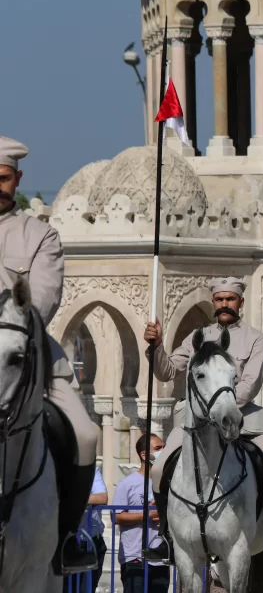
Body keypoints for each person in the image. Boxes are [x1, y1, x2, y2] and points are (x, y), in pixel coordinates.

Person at [142, 276, 263, 564]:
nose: (224, 304)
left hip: (242, 417)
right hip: (195, 420)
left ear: (240, 302)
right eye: (219, 299)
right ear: (214, 302)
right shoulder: (196, 338)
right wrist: (156, 347)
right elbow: (166, 371)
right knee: (159, 467)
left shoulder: (255, 339)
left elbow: (250, 384)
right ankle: (166, 536)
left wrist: (222, 407)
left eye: (230, 299)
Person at [0, 137, 102, 573]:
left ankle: (65, 540)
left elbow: (40, 302)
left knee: (84, 434)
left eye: (3, 178)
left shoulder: (40, 234)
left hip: (32, 360)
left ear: (17, 179)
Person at [113, 435, 170, 593]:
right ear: (144, 455)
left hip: (160, 559)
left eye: (164, 447)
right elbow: (116, 516)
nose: (163, 451)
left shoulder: (169, 484)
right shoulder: (127, 484)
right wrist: (148, 515)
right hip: (135, 557)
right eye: (158, 449)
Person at [65, 466, 109, 593]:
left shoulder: (91, 470)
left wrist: (73, 500)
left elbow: (102, 498)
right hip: (64, 543)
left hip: (91, 542)